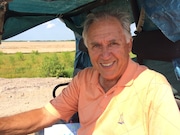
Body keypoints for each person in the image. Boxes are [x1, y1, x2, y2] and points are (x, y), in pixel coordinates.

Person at [0, 10, 180, 135]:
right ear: (87, 48)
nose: (105, 54)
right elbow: (47, 114)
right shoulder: (84, 79)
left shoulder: (153, 86)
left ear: (128, 45)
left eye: (113, 43)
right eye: (96, 46)